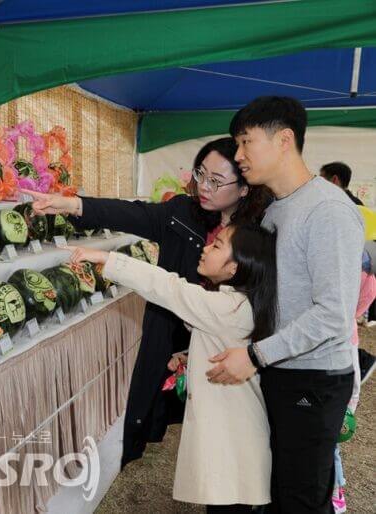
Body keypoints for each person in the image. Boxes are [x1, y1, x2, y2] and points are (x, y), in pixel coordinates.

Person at [24, 138, 272, 468]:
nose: (204, 187)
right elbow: (131, 213)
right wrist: (70, 205)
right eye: (201, 174)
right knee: (167, 408)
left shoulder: (258, 235)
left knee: (222, 436)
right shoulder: (183, 213)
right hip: (172, 333)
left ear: (244, 188)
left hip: (226, 347)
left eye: (216, 181)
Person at [206, 96, 363, 513]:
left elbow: (332, 315)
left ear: (284, 140)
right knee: (277, 488)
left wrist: (256, 356)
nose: (238, 156)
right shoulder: (277, 211)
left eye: (245, 142)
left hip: (312, 379)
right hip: (280, 368)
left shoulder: (327, 211)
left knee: (300, 499)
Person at [67, 223, 276, 513]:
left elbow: (170, 288)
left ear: (235, 268)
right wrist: (191, 355)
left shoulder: (227, 307)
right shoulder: (241, 304)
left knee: (228, 506)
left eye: (217, 246)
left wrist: (109, 259)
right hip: (237, 436)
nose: (206, 248)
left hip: (233, 440)